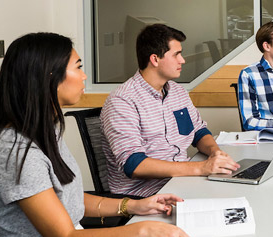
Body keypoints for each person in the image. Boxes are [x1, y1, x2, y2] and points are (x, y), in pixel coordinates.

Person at [0, 33, 194, 237]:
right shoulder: (15, 150)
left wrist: (134, 207)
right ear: (49, 76)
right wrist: (143, 230)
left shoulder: (45, 131)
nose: (84, 76)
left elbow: (66, 198)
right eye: (78, 67)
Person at [101, 24, 239, 197]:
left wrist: (214, 151)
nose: (183, 60)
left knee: (237, 188)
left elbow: (198, 131)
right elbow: (133, 165)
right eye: (176, 54)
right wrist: (201, 168)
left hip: (181, 180)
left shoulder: (177, 92)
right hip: (146, 194)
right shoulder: (122, 101)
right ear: (155, 59)